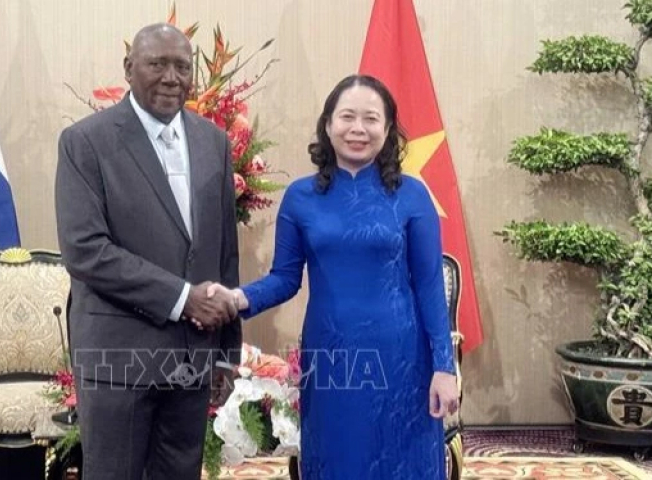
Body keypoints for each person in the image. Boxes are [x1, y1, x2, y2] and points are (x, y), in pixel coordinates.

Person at [205, 74, 459, 479]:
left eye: (371, 119)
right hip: (331, 357)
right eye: (347, 117)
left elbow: (429, 286)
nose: (358, 128)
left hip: (403, 358)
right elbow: (284, 279)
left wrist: (444, 367)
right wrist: (237, 298)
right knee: (337, 457)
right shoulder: (300, 197)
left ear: (388, 130)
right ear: (327, 125)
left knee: (402, 461)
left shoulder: (412, 195)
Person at [55, 23, 241, 480]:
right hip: (118, 358)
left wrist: (225, 353)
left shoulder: (213, 142)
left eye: (182, 66)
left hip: (192, 359)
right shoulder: (86, 142)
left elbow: (224, 252)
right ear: (129, 68)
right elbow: (85, 250)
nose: (171, 77)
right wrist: (182, 298)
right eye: (157, 64)